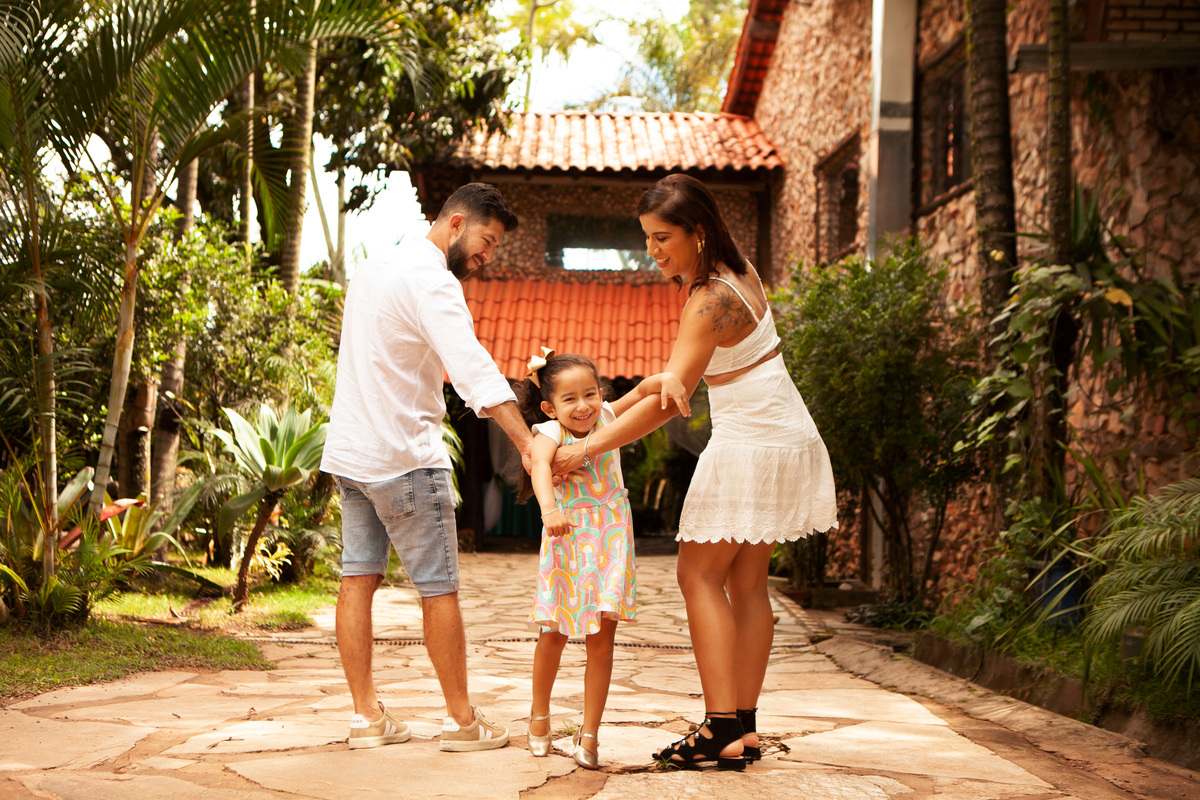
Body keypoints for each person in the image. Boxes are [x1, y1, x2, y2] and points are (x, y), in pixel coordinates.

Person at [551, 174, 838, 771]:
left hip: (750, 443)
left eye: (662, 238)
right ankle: (743, 728)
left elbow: (669, 400)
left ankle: (719, 727)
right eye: (647, 238)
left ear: (697, 233)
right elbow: (675, 380)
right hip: (784, 434)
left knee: (698, 575)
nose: (652, 251)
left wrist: (586, 449)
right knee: (748, 584)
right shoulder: (742, 271)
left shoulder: (707, 301)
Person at [321, 183, 535, 752]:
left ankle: (367, 717)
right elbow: (473, 369)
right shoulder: (434, 281)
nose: (488, 255)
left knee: (357, 579)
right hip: (407, 460)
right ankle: (463, 722)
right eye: (487, 240)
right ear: (456, 222)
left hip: (352, 457)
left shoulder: (374, 269)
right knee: (438, 589)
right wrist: (527, 443)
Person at [515, 349, 684, 770]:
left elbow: (643, 391)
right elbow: (540, 467)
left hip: (611, 539)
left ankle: (589, 733)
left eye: (590, 394)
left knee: (602, 639)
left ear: (601, 394)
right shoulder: (550, 431)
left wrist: (668, 379)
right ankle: (539, 716)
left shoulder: (608, 417)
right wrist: (549, 509)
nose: (583, 406)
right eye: (570, 398)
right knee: (553, 633)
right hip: (568, 536)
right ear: (550, 407)